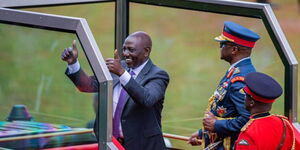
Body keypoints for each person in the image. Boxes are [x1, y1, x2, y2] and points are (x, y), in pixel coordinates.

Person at [61, 31, 170, 150]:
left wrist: (122, 73)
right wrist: (73, 63)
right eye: (124, 49)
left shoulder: (158, 75)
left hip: (142, 145)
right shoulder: (118, 67)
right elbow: (87, 86)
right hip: (110, 143)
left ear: (146, 51)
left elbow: (147, 99)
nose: (125, 54)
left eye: (131, 50)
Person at [188, 21, 260, 150]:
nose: (220, 47)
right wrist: (202, 133)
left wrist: (216, 125)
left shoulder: (241, 78)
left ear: (234, 50)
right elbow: (226, 111)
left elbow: (248, 120)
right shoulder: (236, 70)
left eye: (222, 44)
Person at [235, 72, 300, 150]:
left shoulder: (249, 134)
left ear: (251, 103)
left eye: (245, 96)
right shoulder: (285, 123)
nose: (244, 98)